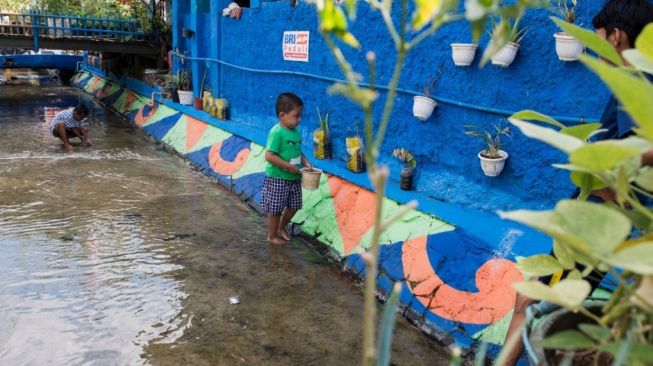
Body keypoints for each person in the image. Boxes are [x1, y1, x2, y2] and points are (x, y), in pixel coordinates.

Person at [501, 1, 653, 365]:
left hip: (594, 227)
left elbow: (643, 150)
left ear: (616, 36)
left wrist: (594, 164)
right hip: (600, 225)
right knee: (542, 303)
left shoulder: (634, 78)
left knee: (530, 300)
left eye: (598, 40)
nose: (597, 53)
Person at [262, 93, 312, 245]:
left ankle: (281, 227)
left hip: (294, 177)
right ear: (282, 115)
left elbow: (298, 150)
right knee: (276, 209)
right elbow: (269, 156)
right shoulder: (277, 132)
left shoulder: (295, 132)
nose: (299, 119)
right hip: (278, 178)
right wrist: (288, 166)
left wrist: (306, 162)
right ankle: (272, 235)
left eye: (300, 116)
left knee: (294, 205)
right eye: (296, 116)